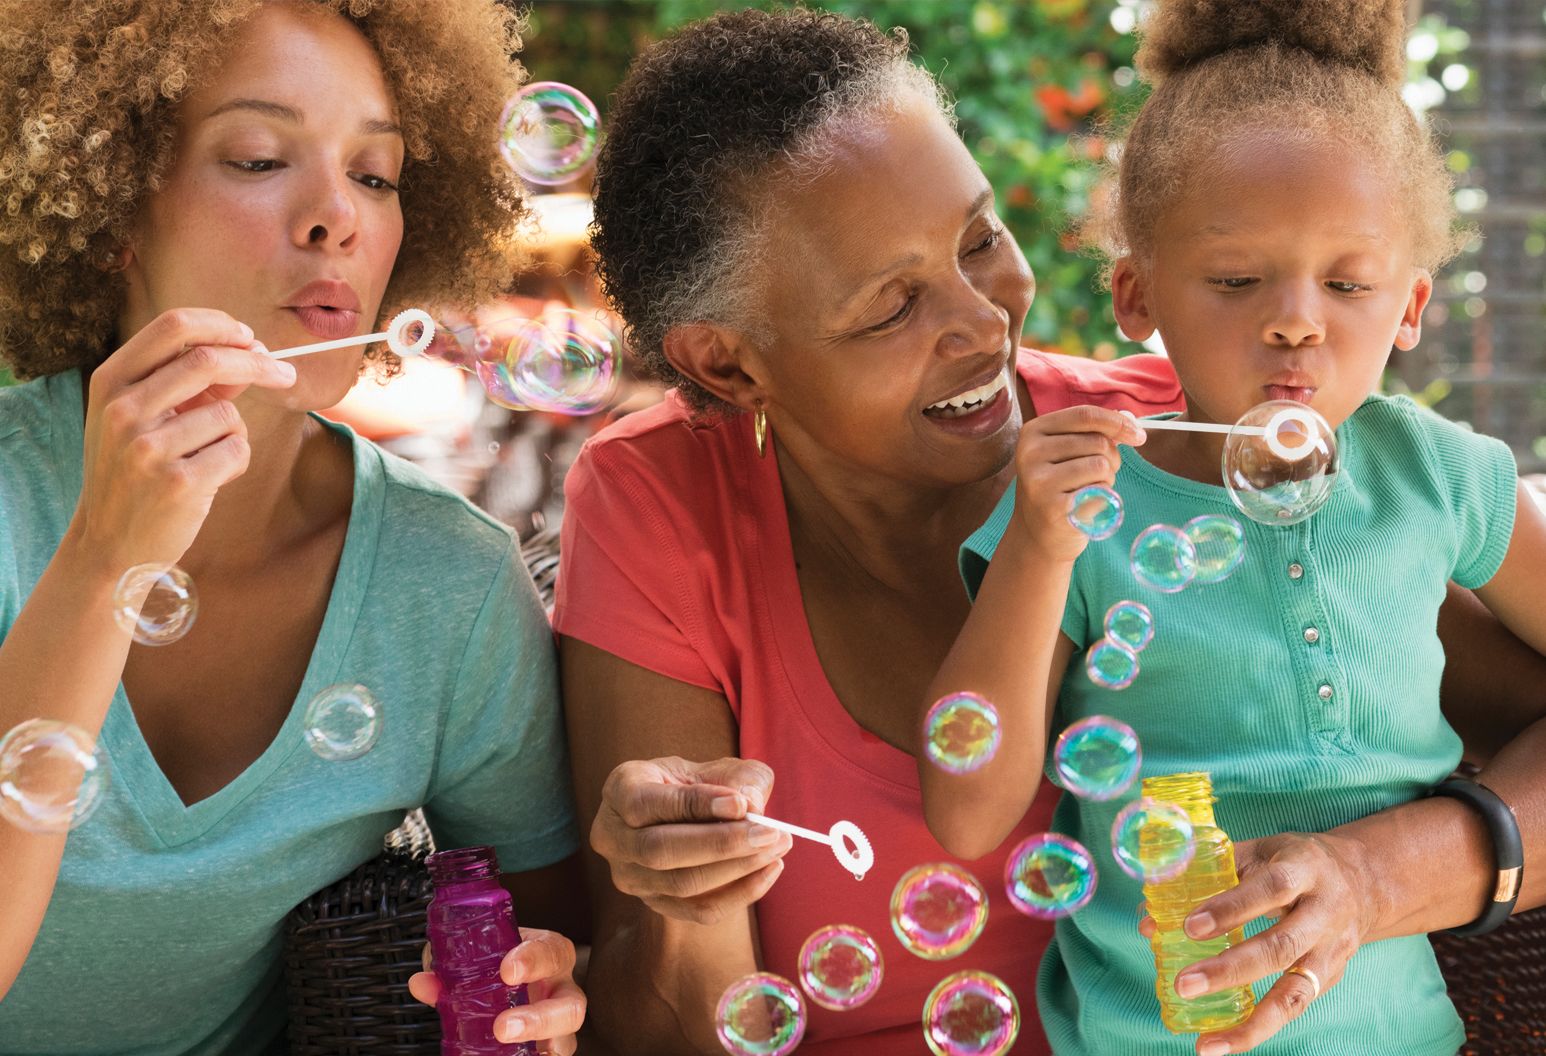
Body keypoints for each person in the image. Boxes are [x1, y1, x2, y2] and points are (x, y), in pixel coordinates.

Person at [557, 8, 1546, 1055]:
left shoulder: (1197, 451)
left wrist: (1375, 877)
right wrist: (684, 890)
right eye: (891, 306)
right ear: (727, 364)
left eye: (980, 240)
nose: (984, 322)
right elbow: (674, 1020)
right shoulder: (661, 502)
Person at [928, 2, 1546, 1054]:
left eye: (1347, 283)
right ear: (1136, 293)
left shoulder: (1437, 477)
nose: (1295, 318)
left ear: (1407, 306)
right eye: (1233, 279)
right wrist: (1037, 544)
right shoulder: (1084, 510)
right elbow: (969, 813)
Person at [0, 3, 585, 1054]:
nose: (336, 219)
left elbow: (552, 941)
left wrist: (548, 989)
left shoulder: (446, 583)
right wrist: (103, 560)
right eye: (261, 157)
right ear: (110, 210)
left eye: (375, 174)